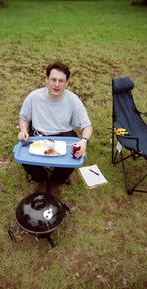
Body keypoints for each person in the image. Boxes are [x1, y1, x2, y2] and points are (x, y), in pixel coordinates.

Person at [18, 61, 93, 196]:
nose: (57, 84)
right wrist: (23, 130)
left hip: (63, 135)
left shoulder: (73, 100)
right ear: (46, 79)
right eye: (53, 79)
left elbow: (87, 126)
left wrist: (84, 141)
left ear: (67, 83)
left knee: (75, 156)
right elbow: (24, 118)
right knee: (23, 154)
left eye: (61, 81)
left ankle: (55, 181)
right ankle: (41, 179)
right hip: (38, 134)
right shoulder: (34, 97)